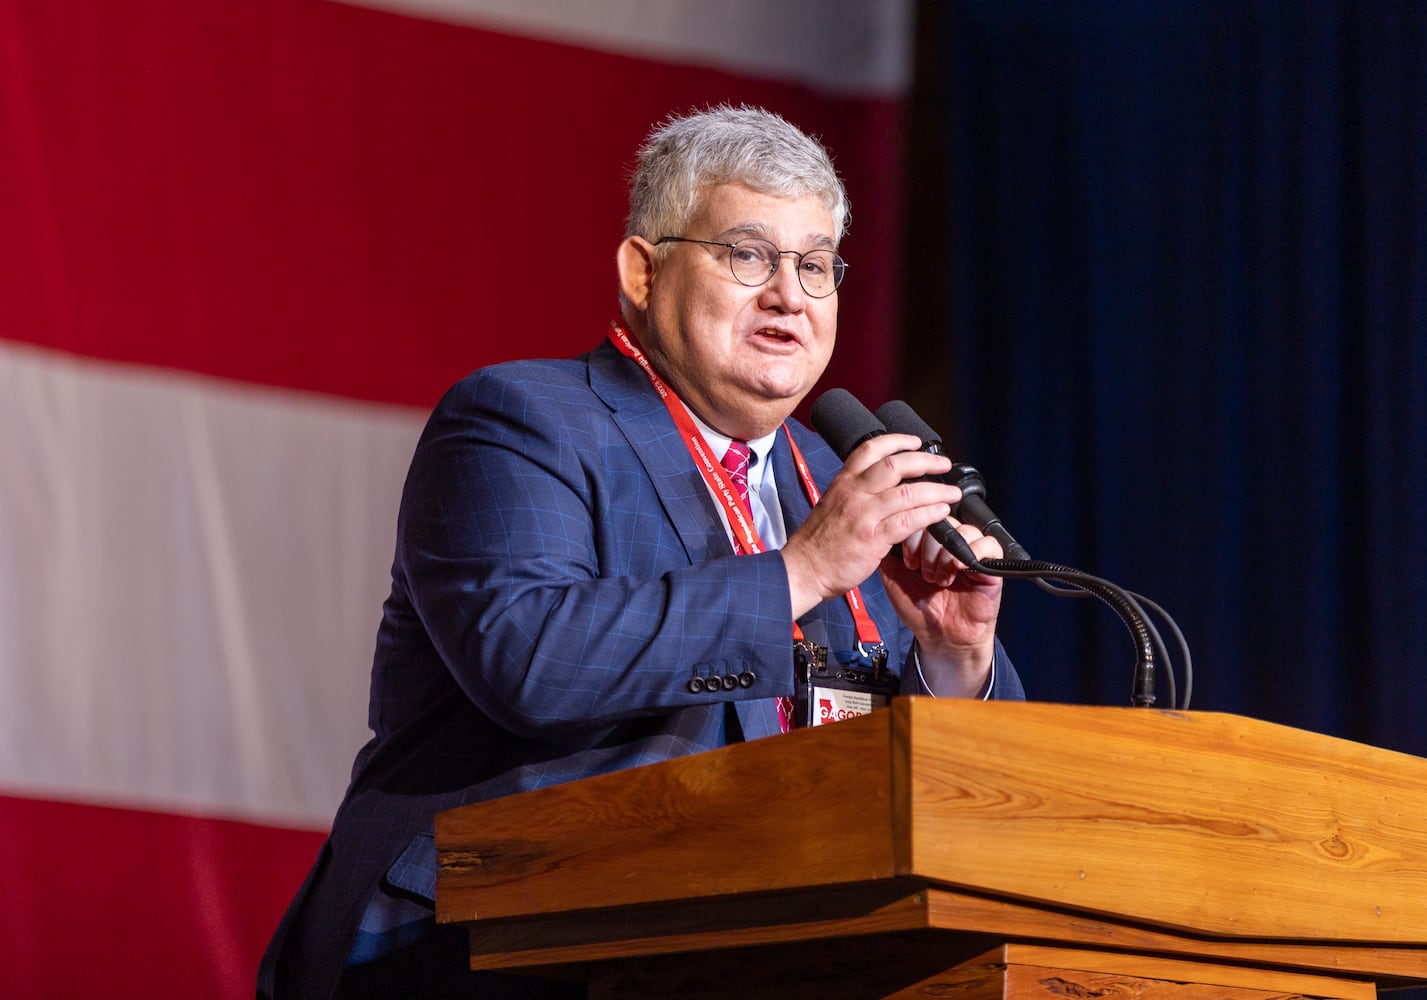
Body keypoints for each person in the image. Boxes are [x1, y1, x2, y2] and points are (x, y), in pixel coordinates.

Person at [257, 104, 1023, 999]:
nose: (789, 294)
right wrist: (802, 571)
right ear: (643, 269)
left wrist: (953, 653)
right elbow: (530, 659)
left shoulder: (834, 480)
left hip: (786, 950)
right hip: (485, 950)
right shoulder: (521, 422)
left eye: (816, 266)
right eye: (747, 254)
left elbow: (971, 794)